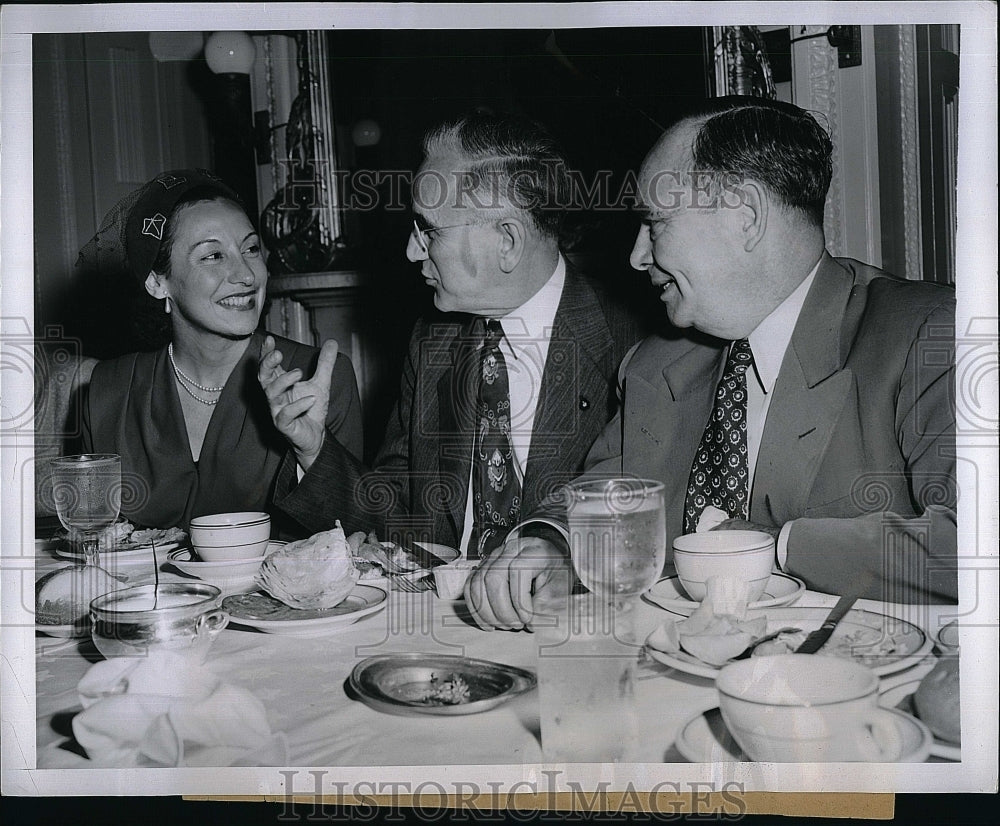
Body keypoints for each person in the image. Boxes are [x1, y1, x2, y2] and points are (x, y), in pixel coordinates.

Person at [466, 96, 957, 630]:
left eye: (655, 223)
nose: (637, 256)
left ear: (745, 217)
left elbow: (977, 545)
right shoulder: (656, 363)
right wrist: (555, 544)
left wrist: (776, 547)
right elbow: (607, 496)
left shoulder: (926, 334)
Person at [260, 112, 642, 556]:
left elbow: (638, 534)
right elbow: (402, 522)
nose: (410, 249)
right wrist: (313, 448)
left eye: (429, 229)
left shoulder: (632, 344)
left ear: (508, 241)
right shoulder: (434, 342)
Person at [78, 169, 363, 531]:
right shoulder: (108, 392)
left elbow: (355, 538)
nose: (246, 275)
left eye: (251, 248)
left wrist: (314, 452)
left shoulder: (316, 377)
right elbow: (95, 538)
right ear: (157, 282)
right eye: (213, 256)